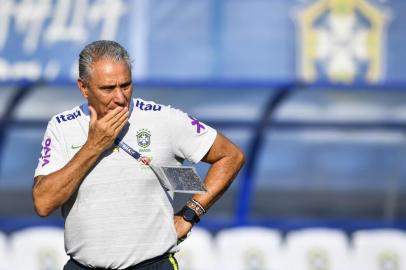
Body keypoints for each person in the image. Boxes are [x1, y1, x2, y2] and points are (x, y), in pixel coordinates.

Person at [32, 40, 245, 270]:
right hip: (84, 265)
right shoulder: (63, 126)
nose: (120, 97)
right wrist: (93, 146)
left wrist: (190, 214)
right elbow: (43, 203)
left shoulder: (164, 119)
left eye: (126, 85)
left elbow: (230, 156)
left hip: (151, 264)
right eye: (107, 88)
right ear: (84, 88)